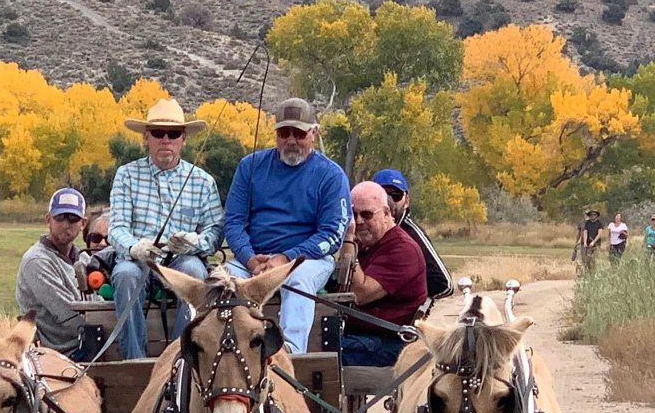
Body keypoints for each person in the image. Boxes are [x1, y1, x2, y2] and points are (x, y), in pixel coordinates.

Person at [223, 97, 350, 354]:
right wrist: (250, 260)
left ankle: (290, 353)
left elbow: (332, 234)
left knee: (298, 281)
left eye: (299, 132)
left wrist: (286, 259)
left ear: (313, 133)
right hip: (254, 259)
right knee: (221, 283)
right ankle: (226, 351)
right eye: (284, 132)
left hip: (306, 260)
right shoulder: (250, 167)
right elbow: (233, 222)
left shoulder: (331, 175)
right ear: (276, 134)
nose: (291, 140)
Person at [109, 98, 223, 359]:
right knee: (124, 275)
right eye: (158, 133)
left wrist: (195, 242)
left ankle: (178, 357)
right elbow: (117, 228)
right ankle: (134, 359)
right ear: (146, 137)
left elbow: (215, 231)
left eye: (173, 134)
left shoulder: (203, 181)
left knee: (195, 270)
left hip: (182, 259)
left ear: (183, 138)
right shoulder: (126, 175)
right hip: (138, 260)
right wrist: (134, 247)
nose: (166, 140)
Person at [339, 182, 427, 367]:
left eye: (367, 214)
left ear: (386, 214)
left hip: (389, 342)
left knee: (315, 350)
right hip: (364, 335)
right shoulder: (368, 243)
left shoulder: (402, 250)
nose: (359, 222)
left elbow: (360, 294)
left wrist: (347, 239)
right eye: (353, 215)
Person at [15, 187, 89, 357]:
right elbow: (68, 316)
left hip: (87, 343)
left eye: (73, 219)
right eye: (59, 217)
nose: (65, 225)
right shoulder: (36, 261)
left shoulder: (84, 259)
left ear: (83, 224)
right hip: (58, 352)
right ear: (48, 220)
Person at [371, 168, 453, 304]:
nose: (390, 201)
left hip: (392, 319)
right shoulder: (364, 231)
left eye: (396, 195)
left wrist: (402, 296)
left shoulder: (411, 233)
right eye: (383, 196)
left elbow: (444, 284)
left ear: (406, 200)